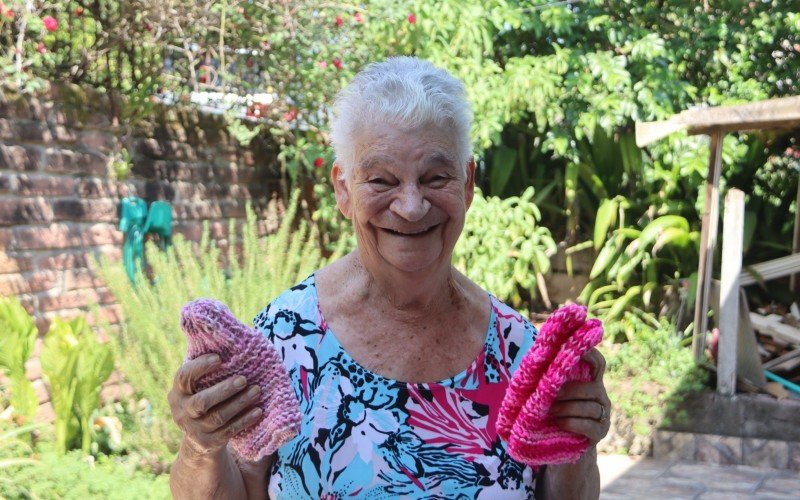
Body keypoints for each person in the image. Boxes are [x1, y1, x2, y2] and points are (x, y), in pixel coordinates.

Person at [168, 57, 611, 499]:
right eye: (382, 179)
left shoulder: (520, 354)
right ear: (343, 189)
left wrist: (577, 437)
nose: (412, 206)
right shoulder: (286, 339)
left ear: (468, 183)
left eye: (436, 177)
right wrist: (201, 445)